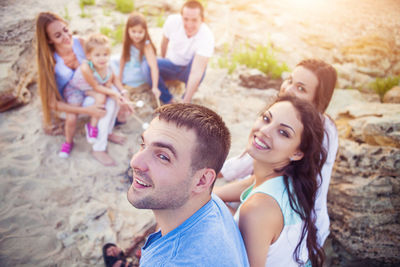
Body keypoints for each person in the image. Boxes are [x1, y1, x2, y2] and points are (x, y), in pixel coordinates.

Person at [103, 103, 249, 267]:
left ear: (202, 180)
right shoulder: (210, 203)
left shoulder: (171, 262)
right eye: (143, 145)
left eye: (163, 157)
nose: (135, 162)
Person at [216, 59, 338, 246]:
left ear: (317, 102)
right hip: (282, 215)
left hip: (295, 228)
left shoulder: (314, 136)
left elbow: (252, 166)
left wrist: (211, 178)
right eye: (290, 80)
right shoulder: (321, 125)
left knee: (205, 210)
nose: (288, 89)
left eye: (301, 88)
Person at [231, 95, 327, 266]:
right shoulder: (287, 182)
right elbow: (250, 183)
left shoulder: (258, 208)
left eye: (283, 132)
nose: (265, 131)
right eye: (266, 118)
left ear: (297, 153)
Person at [36, 12, 128, 166]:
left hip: (90, 89)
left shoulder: (81, 43)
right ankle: (98, 148)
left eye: (66, 29)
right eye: (58, 35)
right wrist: (89, 111)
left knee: (113, 98)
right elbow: (52, 103)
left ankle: (106, 132)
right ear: (49, 40)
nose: (66, 36)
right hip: (70, 100)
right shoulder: (50, 61)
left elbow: (104, 65)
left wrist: (121, 92)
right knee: (104, 104)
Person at [142, 0, 214, 104]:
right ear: (181, 17)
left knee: (202, 66)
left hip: (189, 70)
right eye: (186, 19)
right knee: (147, 65)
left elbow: (196, 72)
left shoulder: (207, 36)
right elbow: (164, 43)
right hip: (171, 64)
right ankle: (169, 101)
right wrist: (163, 59)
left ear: (202, 20)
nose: (189, 24)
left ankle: (184, 98)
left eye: (194, 20)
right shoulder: (172, 22)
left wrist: (186, 101)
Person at [64, 33, 130, 144]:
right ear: (89, 56)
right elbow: (96, 86)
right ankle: (87, 129)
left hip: (89, 88)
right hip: (76, 89)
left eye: (105, 54)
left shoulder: (107, 65)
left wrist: (121, 91)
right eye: (97, 55)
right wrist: (114, 93)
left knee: (103, 97)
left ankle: (95, 127)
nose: (102, 58)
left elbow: (113, 77)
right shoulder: (86, 67)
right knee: (100, 98)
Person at [111, 12, 161, 102]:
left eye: (140, 32)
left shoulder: (146, 45)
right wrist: (120, 75)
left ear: (145, 31)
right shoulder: (128, 41)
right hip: (129, 63)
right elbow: (123, 58)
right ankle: (119, 83)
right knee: (111, 62)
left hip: (139, 68)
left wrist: (155, 87)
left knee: (130, 77)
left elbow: (154, 67)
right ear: (128, 30)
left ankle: (123, 86)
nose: (136, 35)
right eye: (133, 31)